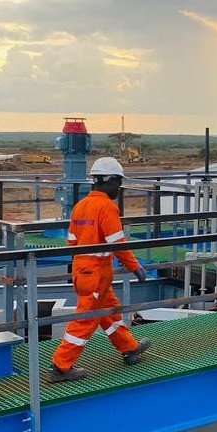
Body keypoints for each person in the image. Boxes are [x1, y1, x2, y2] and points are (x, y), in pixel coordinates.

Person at [48, 157, 150, 383]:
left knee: (109, 312)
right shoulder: (106, 207)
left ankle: (129, 350)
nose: (119, 189)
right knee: (85, 320)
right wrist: (135, 267)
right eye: (118, 183)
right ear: (110, 181)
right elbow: (118, 243)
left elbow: (72, 242)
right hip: (96, 273)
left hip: (83, 270)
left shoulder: (80, 206)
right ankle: (60, 367)